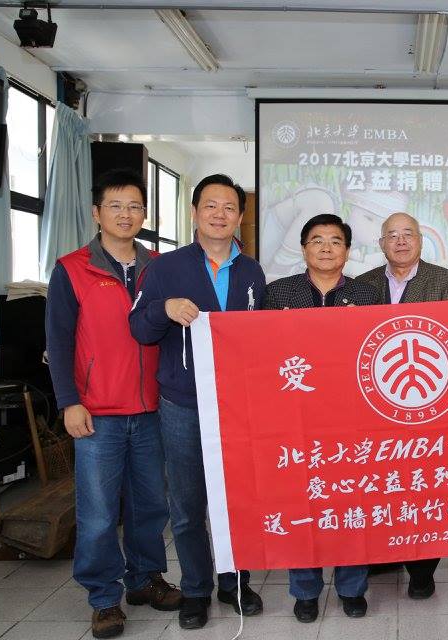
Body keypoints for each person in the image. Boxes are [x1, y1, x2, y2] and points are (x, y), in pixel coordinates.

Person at [46, 169, 181, 639]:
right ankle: (104, 597)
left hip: (152, 410)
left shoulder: (159, 266)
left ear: (145, 214)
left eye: (135, 206)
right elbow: (59, 341)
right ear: (97, 212)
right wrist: (69, 401)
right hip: (96, 412)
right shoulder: (72, 268)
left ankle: (145, 578)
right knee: (99, 513)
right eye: (116, 206)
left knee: (150, 505)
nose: (126, 215)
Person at [129, 174, 266, 630]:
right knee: (187, 506)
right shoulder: (165, 268)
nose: (219, 214)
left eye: (229, 207)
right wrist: (163, 309)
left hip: (239, 406)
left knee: (237, 501)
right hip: (183, 404)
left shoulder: (252, 272)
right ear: (194, 212)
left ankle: (235, 582)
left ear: (240, 217)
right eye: (210, 205)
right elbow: (139, 328)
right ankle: (195, 589)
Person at [262, 213, 380, 623]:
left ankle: (351, 588)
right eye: (317, 240)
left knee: (350, 501)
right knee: (302, 502)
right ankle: (305, 590)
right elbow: (259, 354)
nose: (326, 248)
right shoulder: (278, 293)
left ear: (347, 250)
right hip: (294, 417)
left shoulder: (367, 295)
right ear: (303, 248)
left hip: (351, 419)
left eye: (335, 241)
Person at [356, 211, 448, 599]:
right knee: (383, 485)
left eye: (408, 234)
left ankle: (422, 569)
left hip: (429, 404)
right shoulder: (364, 284)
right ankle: (386, 554)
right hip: (376, 404)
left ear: (420, 240)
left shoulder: (444, 281)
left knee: (424, 487)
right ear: (381, 243)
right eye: (392, 235)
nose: (401, 241)